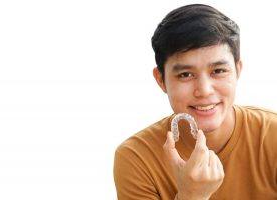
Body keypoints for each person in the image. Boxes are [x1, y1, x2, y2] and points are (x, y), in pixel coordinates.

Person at [113, 4, 277, 200]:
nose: (204, 90)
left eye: (218, 71)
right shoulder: (136, 158)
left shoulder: (272, 137)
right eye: (185, 74)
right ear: (161, 80)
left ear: (238, 70)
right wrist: (191, 196)